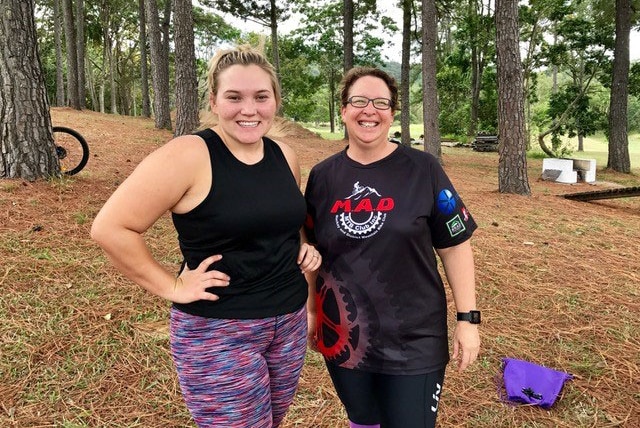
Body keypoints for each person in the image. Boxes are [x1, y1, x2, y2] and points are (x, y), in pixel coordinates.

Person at [91, 45, 321, 428]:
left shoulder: (284, 154)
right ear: (214, 101)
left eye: (261, 97)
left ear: (275, 101)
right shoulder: (189, 154)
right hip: (219, 330)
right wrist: (173, 286)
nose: (249, 110)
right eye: (234, 97)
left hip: (288, 321)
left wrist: (302, 247)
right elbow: (111, 228)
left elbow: (281, 221)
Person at [304, 67, 480, 428]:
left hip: (415, 338)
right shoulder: (322, 177)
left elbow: (456, 245)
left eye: (381, 102)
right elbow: (311, 252)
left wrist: (468, 320)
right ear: (343, 110)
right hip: (346, 336)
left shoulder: (424, 169)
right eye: (359, 101)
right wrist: (311, 313)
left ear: (393, 112)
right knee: (363, 421)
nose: (369, 110)